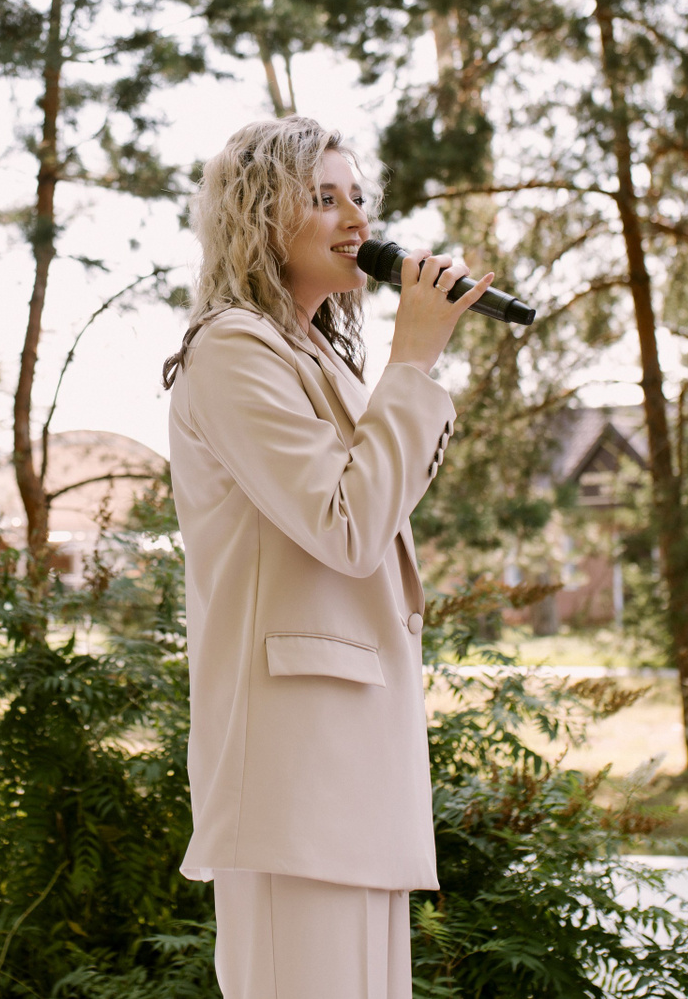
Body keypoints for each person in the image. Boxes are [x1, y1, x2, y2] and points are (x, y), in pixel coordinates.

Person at [161, 115, 491, 999]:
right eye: (323, 197)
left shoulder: (318, 358)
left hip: (355, 759)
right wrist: (412, 359)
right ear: (258, 215)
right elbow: (348, 526)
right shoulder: (232, 349)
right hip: (294, 771)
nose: (356, 219)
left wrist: (407, 370)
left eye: (358, 197)